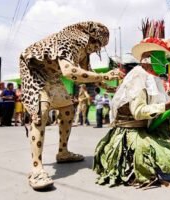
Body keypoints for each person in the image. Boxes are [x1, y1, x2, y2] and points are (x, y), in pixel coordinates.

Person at [19, 21, 122, 190]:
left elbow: (91, 75)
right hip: (33, 68)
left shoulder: (84, 52)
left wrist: (112, 87)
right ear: (91, 38)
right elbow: (70, 72)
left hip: (51, 76)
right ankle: (37, 168)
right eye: (97, 45)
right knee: (41, 112)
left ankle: (63, 152)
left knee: (67, 109)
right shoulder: (71, 40)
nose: (97, 49)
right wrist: (105, 75)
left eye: (100, 47)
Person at [94, 28, 170, 187]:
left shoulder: (155, 78)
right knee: (169, 175)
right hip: (133, 131)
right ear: (150, 59)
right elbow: (138, 112)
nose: (165, 63)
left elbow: (168, 100)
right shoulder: (138, 76)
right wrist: (169, 105)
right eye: (162, 58)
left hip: (150, 126)